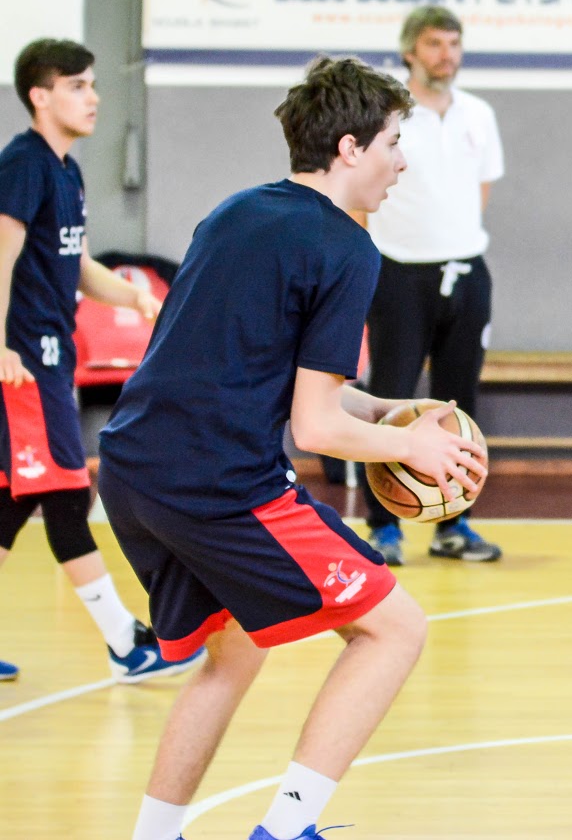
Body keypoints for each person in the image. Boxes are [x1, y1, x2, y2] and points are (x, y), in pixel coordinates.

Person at [97, 56, 487, 840]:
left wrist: (386, 410)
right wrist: (409, 449)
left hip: (135, 469)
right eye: (392, 143)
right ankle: (286, 829)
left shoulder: (237, 212)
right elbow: (315, 431)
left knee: (236, 651)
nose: (401, 161)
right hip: (219, 484)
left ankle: (154, 835)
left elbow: (269, 374)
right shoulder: (347, 248)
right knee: (395, 628)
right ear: (349, 149)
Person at [0, 38, 201, 683]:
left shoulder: (65, 170)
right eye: (79, 85)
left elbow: (77, 266)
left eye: (93, 84)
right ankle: (124, 643)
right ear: (41, 95)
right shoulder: (23, 165)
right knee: (65, 496)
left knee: (12, 506)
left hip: (50, 361)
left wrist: (139, 296)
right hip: (26, 364)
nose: (93, 97)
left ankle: (125, 642)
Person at [352, 5, 505, 565]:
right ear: (410, 50)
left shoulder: (478, 114)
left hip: (466, 270)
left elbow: (481, 189)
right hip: (399, 272)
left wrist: (451, 238)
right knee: (389, 394)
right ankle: (383, 528)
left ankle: (453, 523)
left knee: (459, 401)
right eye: (435, 44)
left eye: (454, 44)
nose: (447, 54)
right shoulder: (390, 116)